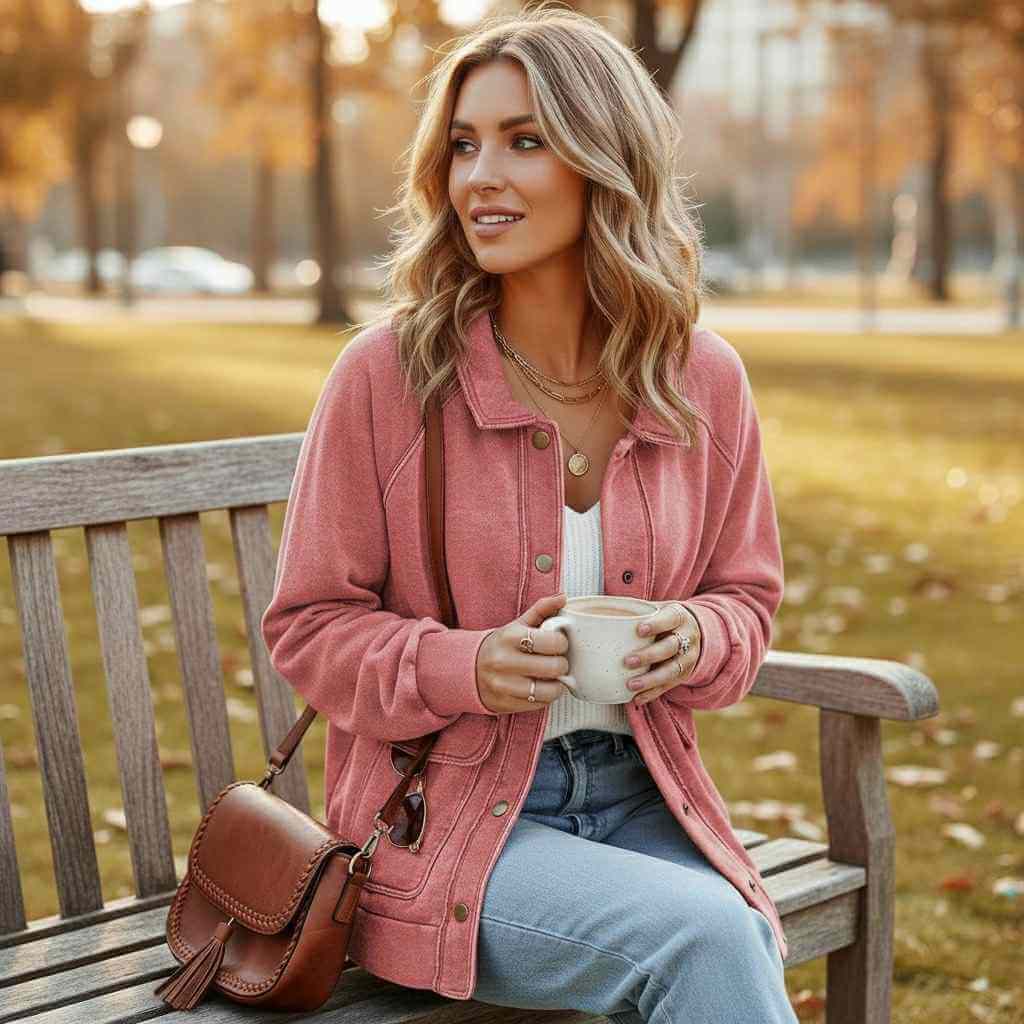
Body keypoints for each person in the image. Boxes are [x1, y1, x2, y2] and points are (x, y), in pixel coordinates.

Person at [260, 4, 795, 1021]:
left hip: (649, 797)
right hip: (443, 824)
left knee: (731, 935)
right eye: (462, 146)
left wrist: (697, 634)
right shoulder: (389, 376)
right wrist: (467, 666)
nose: (478, 178)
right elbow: (309, 628)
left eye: (523, 141)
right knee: (711, 939)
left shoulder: (700, 381)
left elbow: (746, 598)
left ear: (606, 161)